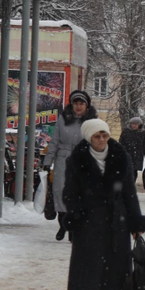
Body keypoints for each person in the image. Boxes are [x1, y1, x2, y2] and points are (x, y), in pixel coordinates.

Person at [61, 119, 145, 290]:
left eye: (104, 135)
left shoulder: (121, 157)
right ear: (89, 138)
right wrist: (75, 214)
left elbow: (129, 192)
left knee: (117, 273)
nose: (101, 140)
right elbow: (70, 192)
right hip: (88, 223)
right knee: (81, 272)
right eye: (97, 136)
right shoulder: (77, 160)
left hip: (115, 222)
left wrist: (134, 221)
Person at [42, 90, 97, 241]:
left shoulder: (92, 122)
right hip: (63, 159)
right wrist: (47, 161)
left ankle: (74, 228)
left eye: (81, 104)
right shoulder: (63, 119)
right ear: (72, 105)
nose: (78, 107)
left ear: (86, 105)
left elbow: (98, 143)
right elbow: (54, 141)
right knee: (60, 192)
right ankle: (63, 225)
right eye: (76, 103)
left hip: (83, 160)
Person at [119, 116, 145, 183]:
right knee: (126, 172)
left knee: (134, 172)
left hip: (137, 156)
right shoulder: (126, 132)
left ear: (139, 125)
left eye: (135, 124)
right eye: (132, 124)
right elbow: (121, 144)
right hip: (127, 155)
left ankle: (131, 186)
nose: (134, 125)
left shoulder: (142, 133)